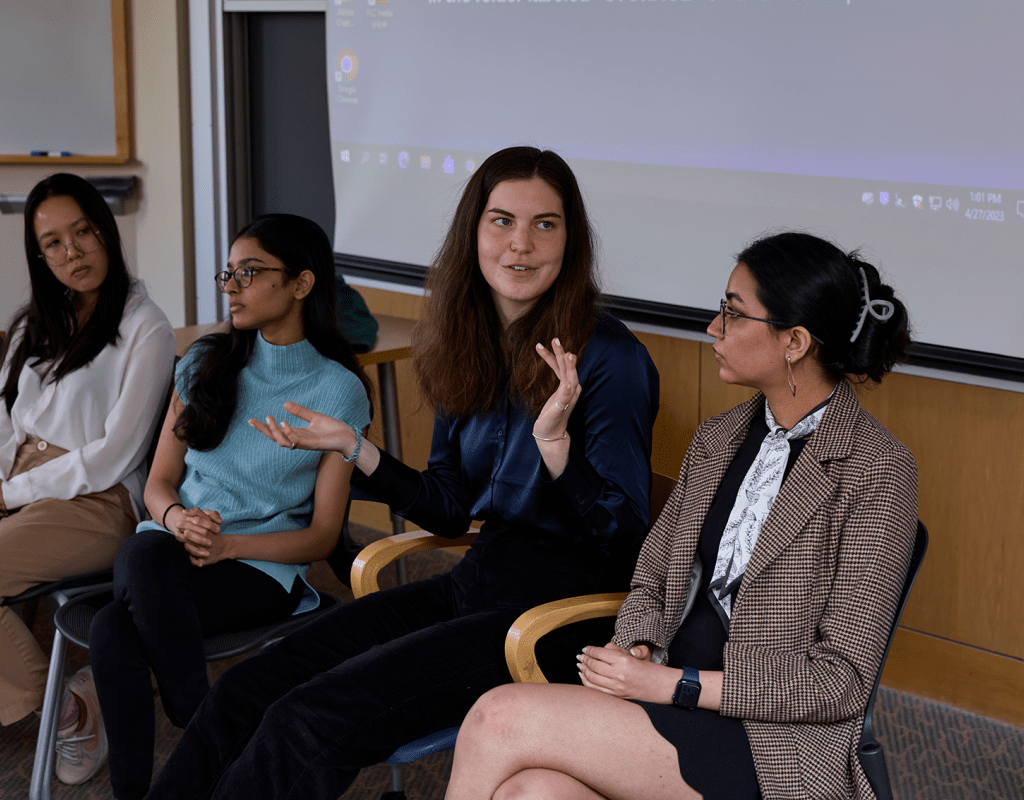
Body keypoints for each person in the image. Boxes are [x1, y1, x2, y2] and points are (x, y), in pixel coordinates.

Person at [145, 146, 660, 800]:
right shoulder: (470, 343)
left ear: (571, 239)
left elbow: (623, 533)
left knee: (311, 720)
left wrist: (556, 447)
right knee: (252, 687)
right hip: (476, 582)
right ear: (473, 232)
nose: (521, 244)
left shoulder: (612, 357)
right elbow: (448, 509)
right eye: (501, 221)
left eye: (545, 225)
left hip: (558, 616)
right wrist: (352, 448)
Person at [445, 231, 918, 800]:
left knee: (498, 718)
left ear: (794, 341)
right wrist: (638, 644)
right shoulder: (717, 439)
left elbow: (838, 682)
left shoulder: (878, 469)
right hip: (664, 694)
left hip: (772, 742)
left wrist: (677, 684)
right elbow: (652, 578)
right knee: (534, 792)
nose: (714, 329)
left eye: (733, 314)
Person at [82, 214, 373, 799]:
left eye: (250, 272)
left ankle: (178, 750)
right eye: (229, 272)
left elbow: (321, 537)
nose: (230, 286)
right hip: (168, 553)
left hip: (258, 567)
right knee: (145, 551)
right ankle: (203, 722)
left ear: (301, 283)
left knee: (114, 625)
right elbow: (158, 483)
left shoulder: (339, 390)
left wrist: (227, 545)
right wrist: (178, 520)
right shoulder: (202, 363)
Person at [0, 173, 175, 779]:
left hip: (96, 501)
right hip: (21, 487)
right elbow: (7, 423)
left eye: (82, 232)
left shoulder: (145, 326)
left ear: (106, 230)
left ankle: (72, 711)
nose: (71, 252)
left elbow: (112, 456)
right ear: (38, 254)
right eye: (52, 243)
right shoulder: (32, 324)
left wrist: (8, 492)